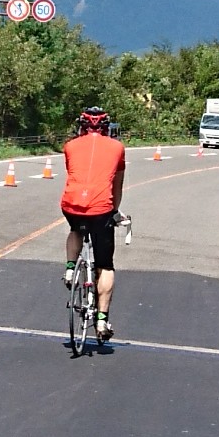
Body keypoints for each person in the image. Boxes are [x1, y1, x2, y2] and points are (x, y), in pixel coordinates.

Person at [60, 106, 126, 345]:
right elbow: (116, 186)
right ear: (107, 127)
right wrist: (114, 211)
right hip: (101, 209)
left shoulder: (69, 146)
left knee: (75, 229)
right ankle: (101, 319)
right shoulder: (117, 148)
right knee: (106, 266)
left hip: (71, 203)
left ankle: (69, 267)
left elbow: (73, 174)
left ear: (81, 126)